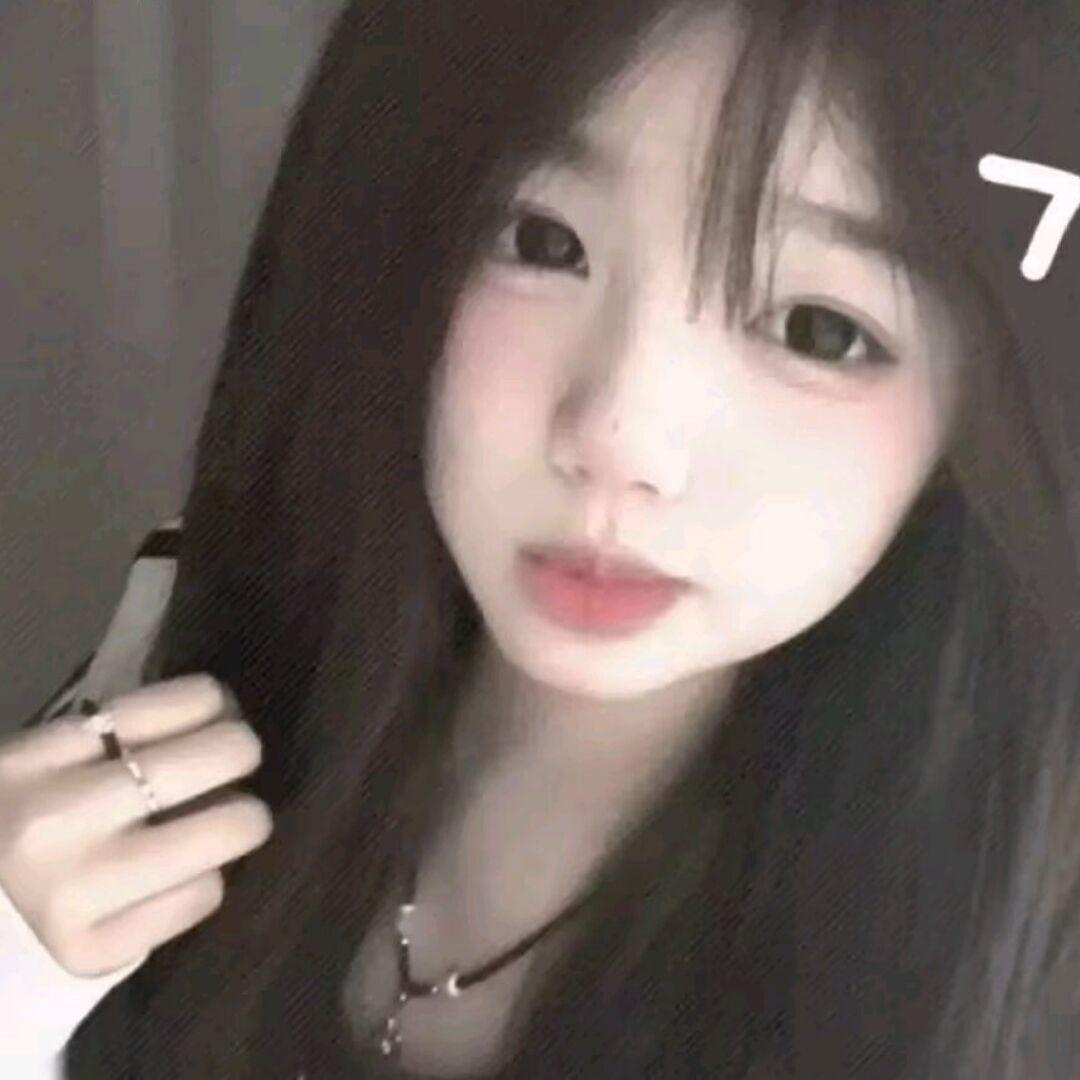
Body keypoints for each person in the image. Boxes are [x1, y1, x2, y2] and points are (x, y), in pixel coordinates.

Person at [3, 0, 1080, 1075]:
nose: (621, 436)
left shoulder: (1010, 990)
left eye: (819, 329)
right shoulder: (189, 661)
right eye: (541, 242)